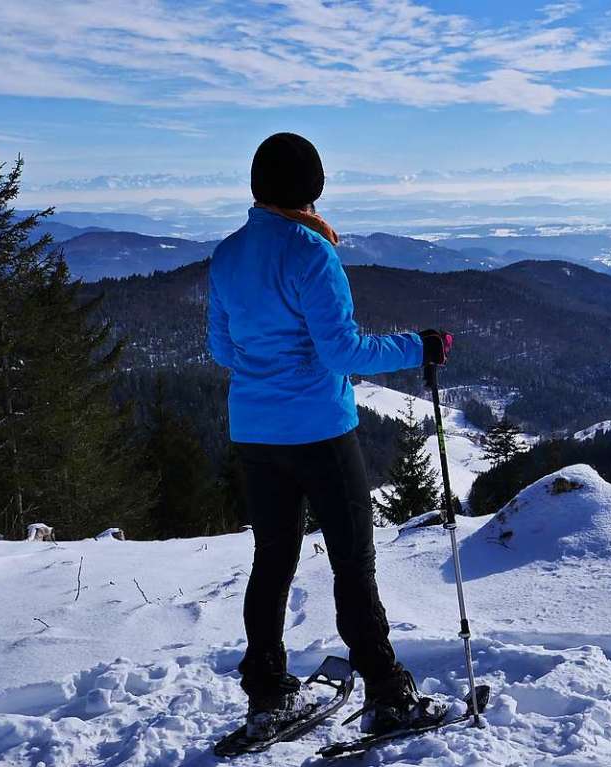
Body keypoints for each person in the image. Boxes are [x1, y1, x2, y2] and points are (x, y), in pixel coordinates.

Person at [206, 132, 453, 740]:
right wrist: (419, 345)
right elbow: (343, 350)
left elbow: (221, 347)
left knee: (273, 560)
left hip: (257, 433)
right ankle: (389, 692)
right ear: (310, 189)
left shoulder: (228, 255)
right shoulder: (312, 254)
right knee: (352, 561)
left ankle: (266, 694)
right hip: (319, 430)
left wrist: (268, 368)